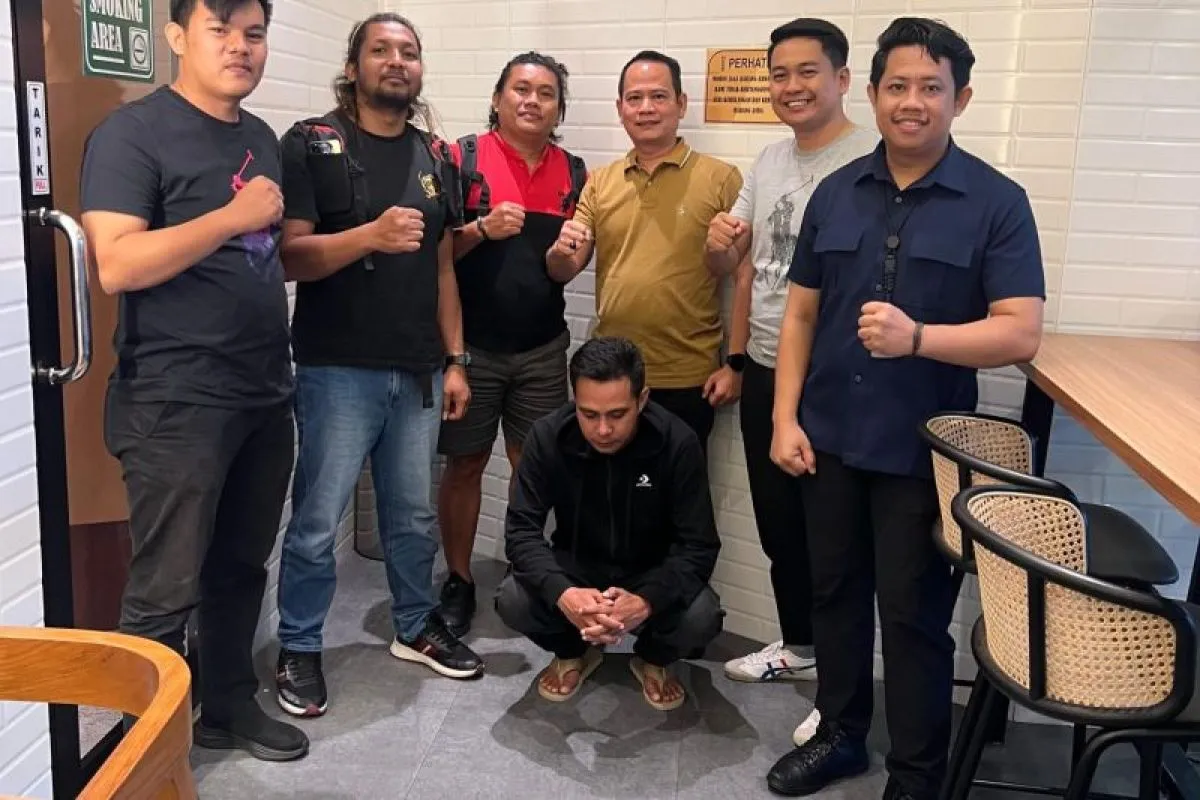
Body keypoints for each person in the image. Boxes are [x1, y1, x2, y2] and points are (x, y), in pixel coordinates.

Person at [765, 17, 1045, 800]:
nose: (912, 102)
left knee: (915, 617)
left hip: (923, 452)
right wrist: (785, 418)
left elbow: (1020, 331)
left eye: (931, 87)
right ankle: (840, 736)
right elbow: (800, 314)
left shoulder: (996, 202)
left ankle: (918, 776)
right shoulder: (836, 193)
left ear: (962, 98)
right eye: (897, 86)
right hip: (827, 439)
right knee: (834, 597)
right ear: (872, 92)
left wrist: (919, 338)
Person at [79, 0, 308, 761]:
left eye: (254, 34)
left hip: (262, 390)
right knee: (164, 586)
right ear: (177, 37)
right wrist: (231, 216)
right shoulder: (132, 133)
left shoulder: (259, 137)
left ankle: (228, 706)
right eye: (221, 30)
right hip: (176, 400)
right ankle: (143, 755)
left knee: (240, 565)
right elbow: (117, 264)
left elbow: (262, 258)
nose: (240, 47)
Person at [272, 13, 483, 720]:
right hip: (337, 368)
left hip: (419, 369)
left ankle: (415, 624)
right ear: (354, 66)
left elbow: (444, 269)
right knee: (317, 519)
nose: (397, 61)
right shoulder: (311, 143)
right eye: (382, 50)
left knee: (413, 516)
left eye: (409, 52)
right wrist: (369, 234)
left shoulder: (436, 156)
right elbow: (289, 257)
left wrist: (456, 361)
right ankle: (299, 644)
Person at [705, 18, 877, 745]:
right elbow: (736, 268)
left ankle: (839, 694)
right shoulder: (770, 159)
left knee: (836, 546)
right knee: (782, 529)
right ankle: (800, 648)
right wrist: (719, 245)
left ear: (842, 79)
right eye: (780, 74)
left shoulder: (871, 159)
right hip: (768, 365)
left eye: (809, 72)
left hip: (834, 378)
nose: (792, 86)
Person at [435, 52, 587, 638]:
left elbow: (564, 271)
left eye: (546, 93)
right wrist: (481, 228)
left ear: (559, 109)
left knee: (535, 468)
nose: (532, 101)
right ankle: (458, 579)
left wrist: (566, 257)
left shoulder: (574, 173)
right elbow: (434, 255)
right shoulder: (461, 159)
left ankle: (530, 576)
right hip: (471, 348)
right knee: (465, 464)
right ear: (498, 99)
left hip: (542, 349)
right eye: (520, 89)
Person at [496, 337, 724, 710]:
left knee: (702, 616)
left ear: (642, 399)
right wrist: (563, 592)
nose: (603, 430)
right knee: (512, 598)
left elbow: (699, 545)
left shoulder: (677, 442)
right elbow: (521, 532)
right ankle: (573, 653)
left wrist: (647, 600)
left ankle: (652, 658)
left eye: (617, 414)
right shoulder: (548, 436)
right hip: (577, 567)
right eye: (589, 414)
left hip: (650, 571)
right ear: (575, 401)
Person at [545, 51, 743, 450]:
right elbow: (564, 269)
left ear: (681, 104)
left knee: (680, 485)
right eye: (634, 98)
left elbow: (742, 276)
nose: (646, 108)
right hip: (611, 375)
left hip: (688, 374)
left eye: (658, 96)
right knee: (609, 483)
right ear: (620, 108)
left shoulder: (721, 178)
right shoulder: (600, 182)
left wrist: (736, 365)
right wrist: (559, 252)